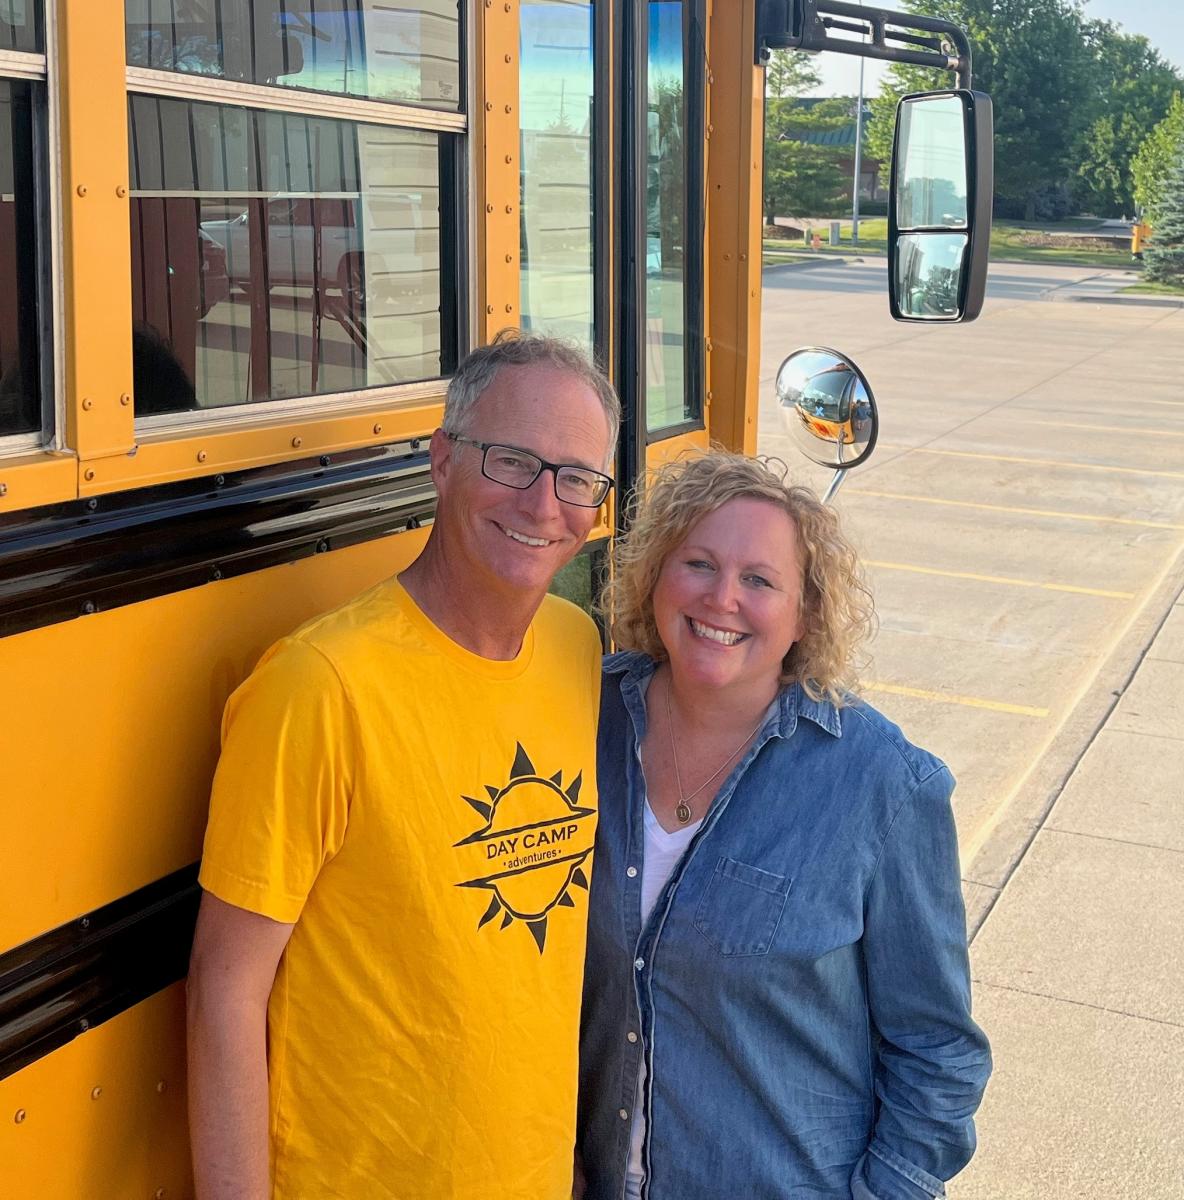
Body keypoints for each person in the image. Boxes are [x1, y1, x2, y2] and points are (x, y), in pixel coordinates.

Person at [187, 332, 620, 1200]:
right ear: (443, 460)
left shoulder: (575, 650)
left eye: (577, 478)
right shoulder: (321, 685)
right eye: (511, 460)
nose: (544, 505)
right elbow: (223, 996)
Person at [578, 451, 991, 1200]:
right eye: (698, 563)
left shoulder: (882, 785)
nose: (722, 598)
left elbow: (936, 1051)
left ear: (805, 614)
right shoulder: (582, 721)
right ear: (655, 576)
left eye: (760, 580)